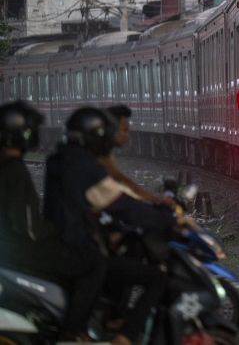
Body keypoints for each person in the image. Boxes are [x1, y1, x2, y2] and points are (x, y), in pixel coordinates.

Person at [44, 107, 179, 345]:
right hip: (75, 247)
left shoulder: (63, 158)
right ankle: (120, 336)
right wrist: (166, 220)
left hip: (62, 243)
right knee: (155, 277)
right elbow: (119, 203)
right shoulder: (83, 166)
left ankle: (108, 318)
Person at [0, 101, 107, 341]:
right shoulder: (15, 170)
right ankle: (72, 332)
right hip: (21, 249)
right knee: (92, 263)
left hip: (9, 247)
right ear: (22, 134)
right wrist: (55, 230)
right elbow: (28, 227)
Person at [99, 104, 169, 205]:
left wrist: (155, 199)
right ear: (111, 129)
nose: (128, 135)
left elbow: (119, 178)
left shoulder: (102, 152)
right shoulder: (95, 157)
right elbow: (119, 188)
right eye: (124, 130)